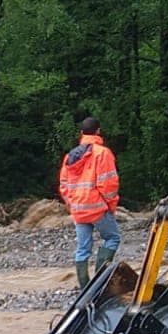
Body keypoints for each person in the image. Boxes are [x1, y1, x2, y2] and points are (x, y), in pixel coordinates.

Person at [59, 116, 122, 288]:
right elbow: (109, 184)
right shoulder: (103, 153)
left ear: (81, 133)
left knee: (82, 249)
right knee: (113, 238)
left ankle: (85, 288)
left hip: (78, 209)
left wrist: (71, 204)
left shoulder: (70, 156)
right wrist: (110, 205)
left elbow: (64, 185)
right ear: (98, 132)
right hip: (97, 208)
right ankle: (100, 282)